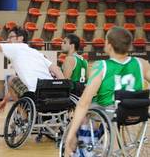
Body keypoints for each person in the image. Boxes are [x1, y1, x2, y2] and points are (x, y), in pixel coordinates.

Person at [64, 26, 150, 156]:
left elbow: (84, 102)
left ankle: (85, 150)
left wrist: (69, 137)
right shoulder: (141, 63)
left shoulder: (102, 66)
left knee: (83, 110)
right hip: (138, 112)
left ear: (109, 45)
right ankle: (100, 139)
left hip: (111, 111)